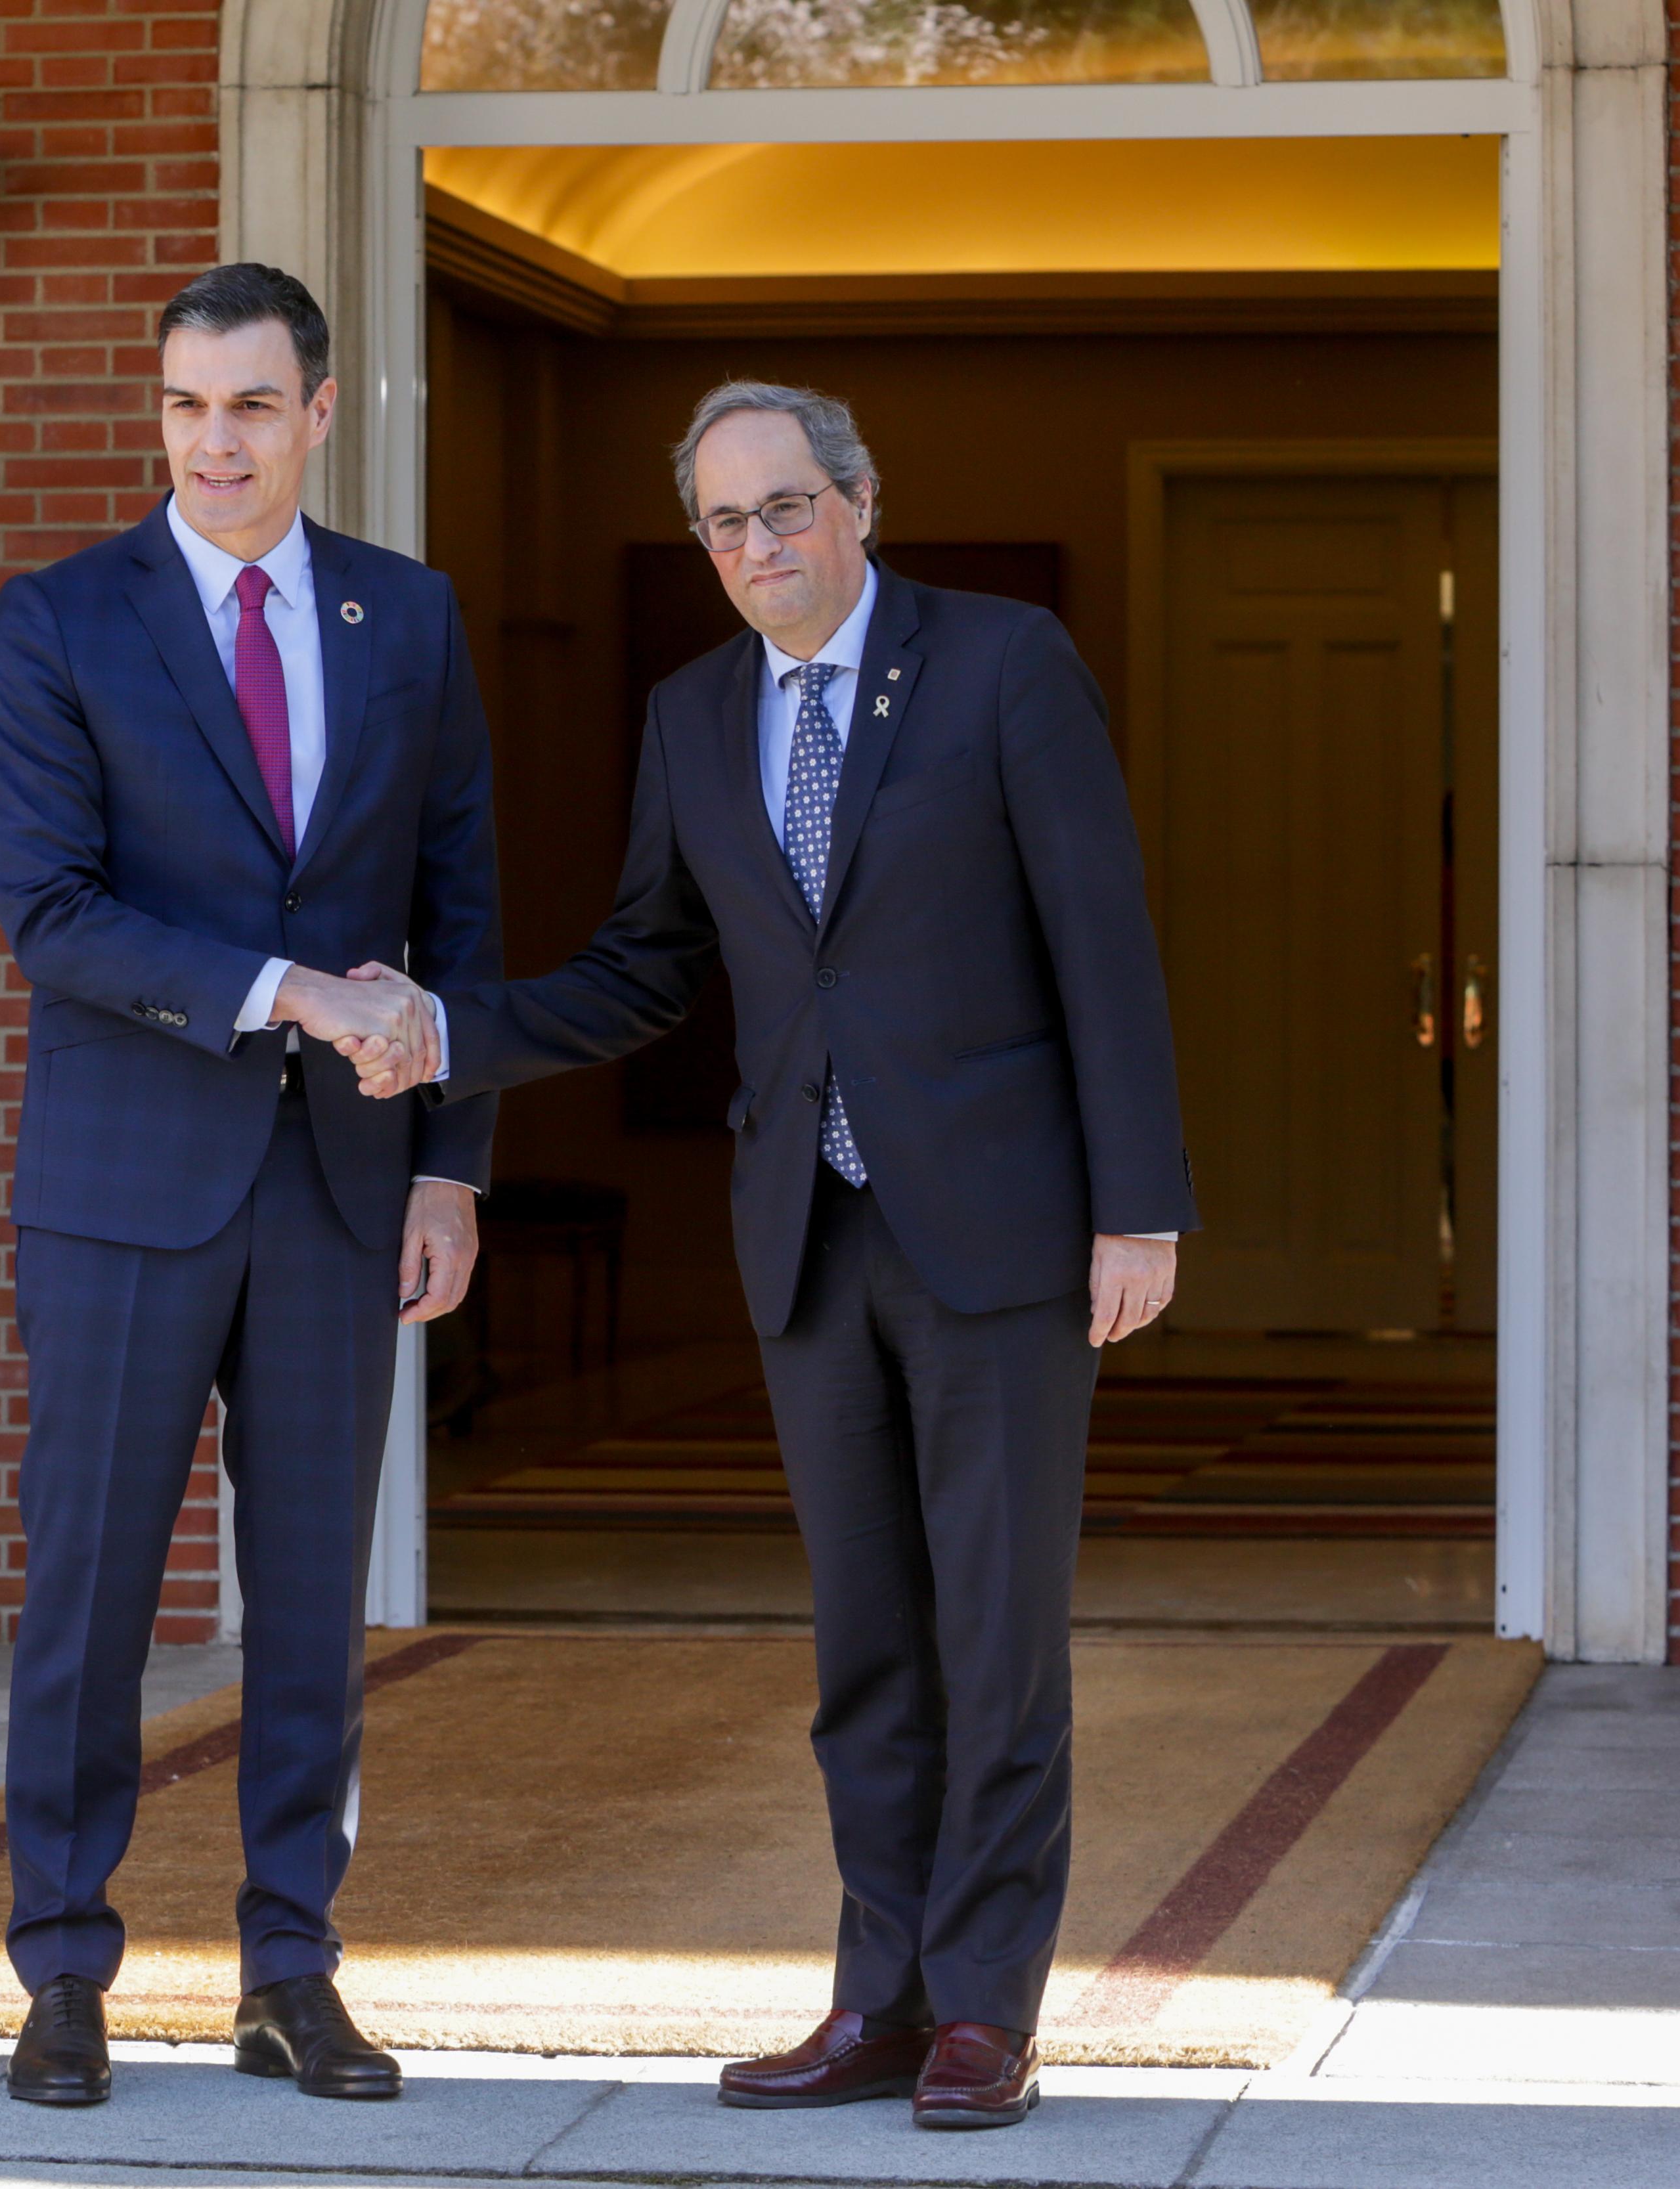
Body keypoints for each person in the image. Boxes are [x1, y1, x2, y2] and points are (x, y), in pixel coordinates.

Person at [351, 382, 1195, 2130]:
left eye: (786, 509)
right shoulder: (691, 713)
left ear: (863, 500)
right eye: (724, 525)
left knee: (999, 1633)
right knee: (870, 1644)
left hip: (1005, 1229)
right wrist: (449, 1034)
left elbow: (1102, 938)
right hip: (808, 1235)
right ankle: (875, 1996)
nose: (757, 547)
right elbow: (648, 964)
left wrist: (1142, 1206)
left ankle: (985, 2009)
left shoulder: (1001, 664)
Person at [0, 262, 491, 2110]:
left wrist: (453, 1162)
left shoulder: (406, 617)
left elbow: (461, 906)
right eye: (186, 406)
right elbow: (50, 911)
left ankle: (293, 1968)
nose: (215, 443)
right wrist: (289, 993)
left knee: (310, 1606)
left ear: (319, 413)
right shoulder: (59, 623)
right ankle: (61, 1973)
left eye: (252, 406)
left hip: (345, 1191)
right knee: (90, 1594)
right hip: (122, 1186)